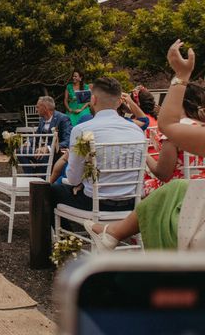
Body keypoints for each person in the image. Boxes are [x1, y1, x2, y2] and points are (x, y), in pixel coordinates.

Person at [86, 40, 205, 252]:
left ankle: (118, 233)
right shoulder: (198, 127)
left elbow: (163, 172)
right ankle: (116, 233)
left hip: (185, 197)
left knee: (152, 187)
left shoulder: (183, 132)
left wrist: (181, 76)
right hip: (197, 190)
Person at [51, 77, 146, 219]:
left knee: (49, 191)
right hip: (132, 204)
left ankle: (68, 239)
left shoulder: (82, 130)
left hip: (95, 203)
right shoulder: (136, 130)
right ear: (120, 101)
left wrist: (83, 183)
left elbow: (73, 179)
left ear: (93, 99)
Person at [144, 82, 205, 195]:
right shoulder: (201, 128)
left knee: (144, 186)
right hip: (201, 191)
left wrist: (144, 154)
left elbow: (163, 174)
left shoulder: (175, 132)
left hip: (179, 193)